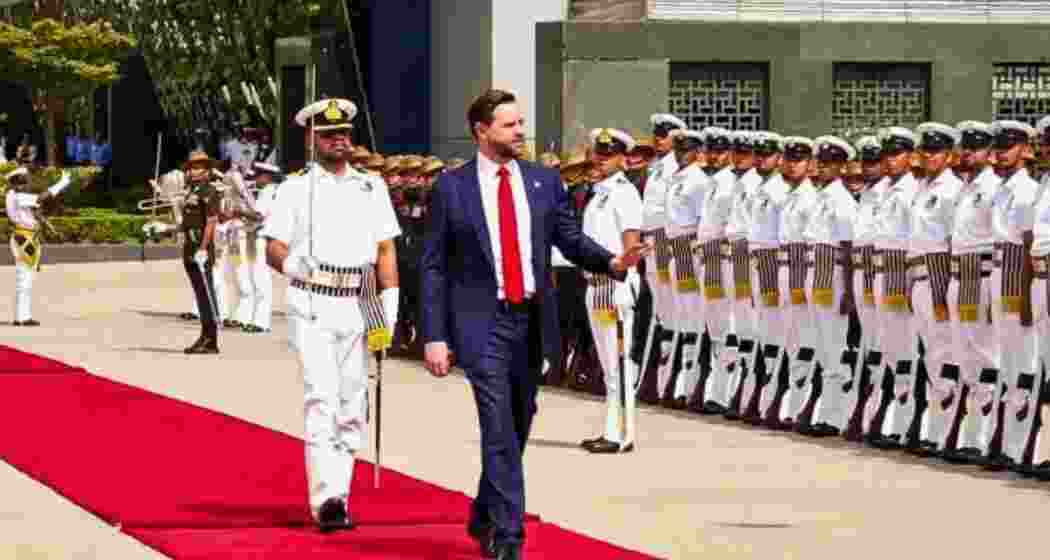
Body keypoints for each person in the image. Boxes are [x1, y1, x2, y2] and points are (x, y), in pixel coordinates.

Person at [420, 89, 645, 560]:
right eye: (509, 125)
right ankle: (508, 534)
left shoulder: (544, 181)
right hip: (482, 322)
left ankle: (484, 511)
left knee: (519, 421)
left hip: (531, 319)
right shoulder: (452, 187)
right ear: (482, 131)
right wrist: (435, 335)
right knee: (498, 424)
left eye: (521, 123)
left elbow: (569, 238)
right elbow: (434, 266)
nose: (520, 131)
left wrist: (614, 263)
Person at [263, 98, 400, 532]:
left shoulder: (370, 186)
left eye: (343, 133)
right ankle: (326, 499)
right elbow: (273, 246)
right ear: (312, 139)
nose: (338, 140)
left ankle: (341, 490)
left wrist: (391, 301)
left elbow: (385, 249)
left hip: (362, 302)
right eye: (328, 134)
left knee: (353, 403)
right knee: (322, 398)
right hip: (314, 302)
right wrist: (291, 265)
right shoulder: (295, 188)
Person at [578, 128, 644, 454]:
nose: (601, 160)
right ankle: (611, 428)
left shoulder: (624, 192)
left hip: (615, 284)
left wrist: (623, 270)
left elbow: (632, 242)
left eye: (609, 155)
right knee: (608, 365)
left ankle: (623, 434)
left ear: (623, 158)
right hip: (596, 284)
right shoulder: (599, 192)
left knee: (619, 360)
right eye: (598, 154)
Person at [802, 135, 859, 437]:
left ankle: (835, 416)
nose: (822, 168)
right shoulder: (822, 196)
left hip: (833, 276)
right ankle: (826, 410)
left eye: (829, 164)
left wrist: (849, 292)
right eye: (820, 163)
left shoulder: (842, 200)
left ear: (841, 167)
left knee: (835, 347)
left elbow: (848, 249)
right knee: (823, 347)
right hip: (817, 273)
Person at [5, 167, 72, 326]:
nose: (26, 184)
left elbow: (36, 214)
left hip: (27, 237)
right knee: (25, 279)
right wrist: (61, 184)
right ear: (17, 182)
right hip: (24, 238)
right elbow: (42, 198)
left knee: (26, 278)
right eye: (23, 181)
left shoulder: (17, 196)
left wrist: (51, 229)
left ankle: (22, 316)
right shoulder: (17, 196)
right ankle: (22, 317)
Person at [179, 150, 223, 354]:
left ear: (207, 171)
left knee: (206, 294)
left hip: (200, 247)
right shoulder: (191, 191)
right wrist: (165, 228)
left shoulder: (210, 191)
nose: (193, 171)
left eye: (198, 168)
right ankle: (204, 335)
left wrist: (204, 248)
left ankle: (210, 339)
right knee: (199, 293)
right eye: (191, 167)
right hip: (189, 245)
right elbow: (187, 223)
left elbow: (211, 222)